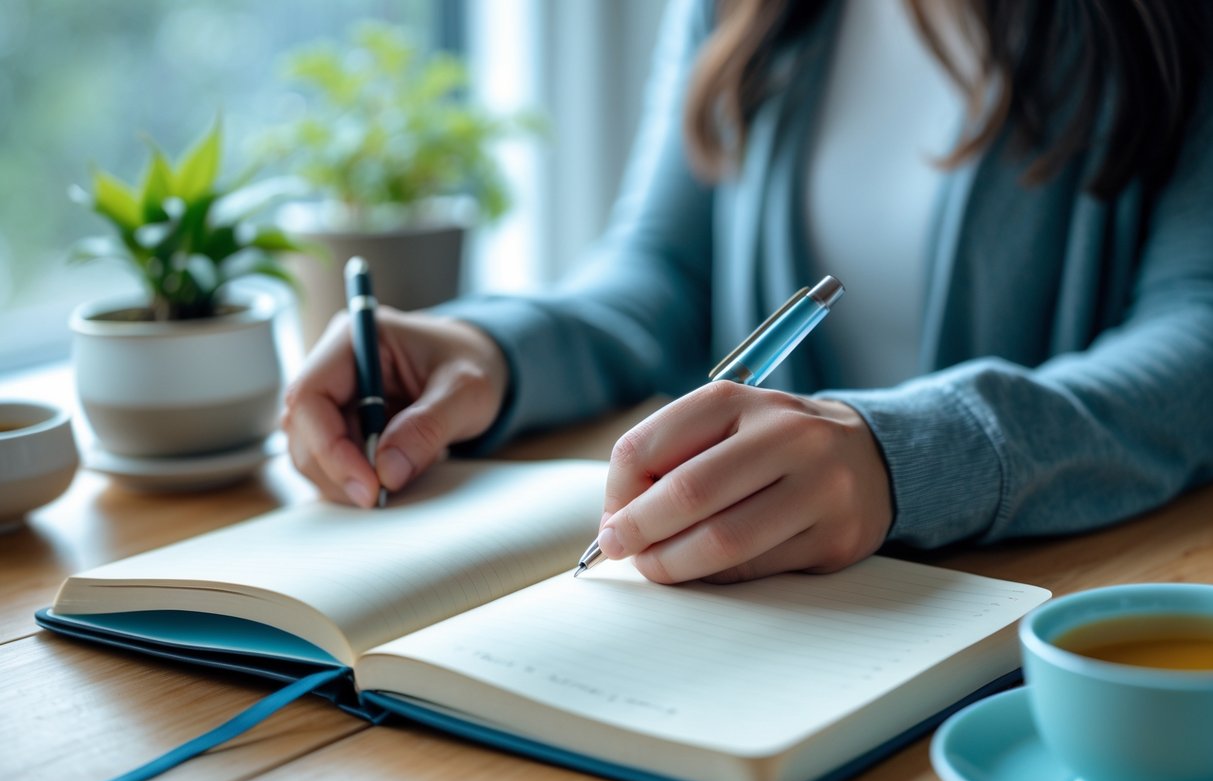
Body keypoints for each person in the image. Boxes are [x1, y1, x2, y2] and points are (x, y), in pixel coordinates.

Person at [282, 0, 1213, 586]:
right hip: (777, 599)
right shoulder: (744, 13)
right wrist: (489, 351)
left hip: (1065, 597)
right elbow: (660, 275)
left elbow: (1196, 334)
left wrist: (901, 458)